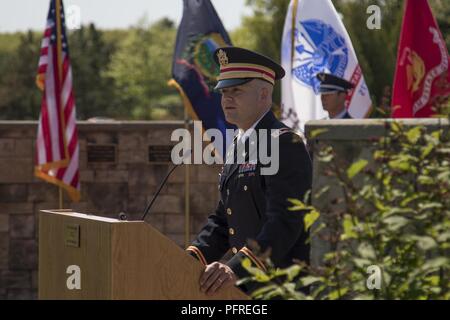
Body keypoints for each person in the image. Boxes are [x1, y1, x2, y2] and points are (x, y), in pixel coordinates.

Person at [186, 46, 313, 295]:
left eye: (237, 90)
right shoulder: (240, 143)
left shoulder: (284, 143)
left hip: (281, 288)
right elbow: (224, 220)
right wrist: (192, 257)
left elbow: (285, 222)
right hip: (247, 289)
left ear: (264, 95)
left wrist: (237, 268)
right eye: (224, 92)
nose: (227, 98)